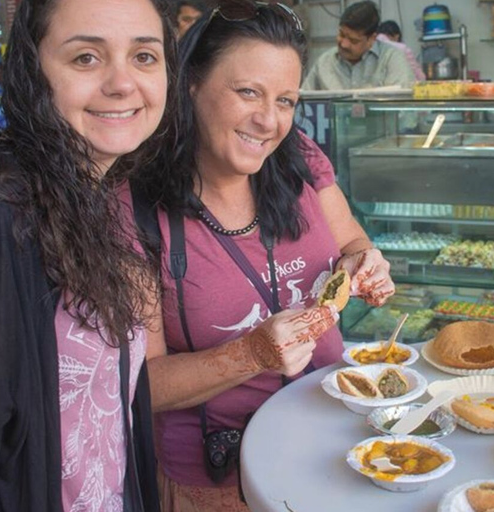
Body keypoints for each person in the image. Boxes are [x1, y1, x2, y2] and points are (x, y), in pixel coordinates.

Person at [0, 0, 176, 510]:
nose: (122, 83)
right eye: (86, 58)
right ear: (31, 71)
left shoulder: (98, 189)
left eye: (144, 56)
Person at [137, 1, 395, 510]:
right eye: (248, 92)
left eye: (286, 100)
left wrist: (364, 262)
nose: (269, 121)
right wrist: (252, 354)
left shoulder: (296, 157)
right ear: (191, 81)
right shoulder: (139, 209)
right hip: (219, 482)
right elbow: (141, 385)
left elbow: (352, 242)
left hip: (340, 446)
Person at [302, 0, 413, 90]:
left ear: (372, 39)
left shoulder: (392, 60)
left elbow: (402, 111)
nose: (344, 44)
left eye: (353, 40)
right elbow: (302, 104)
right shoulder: (324, 63)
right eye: (341, 34)